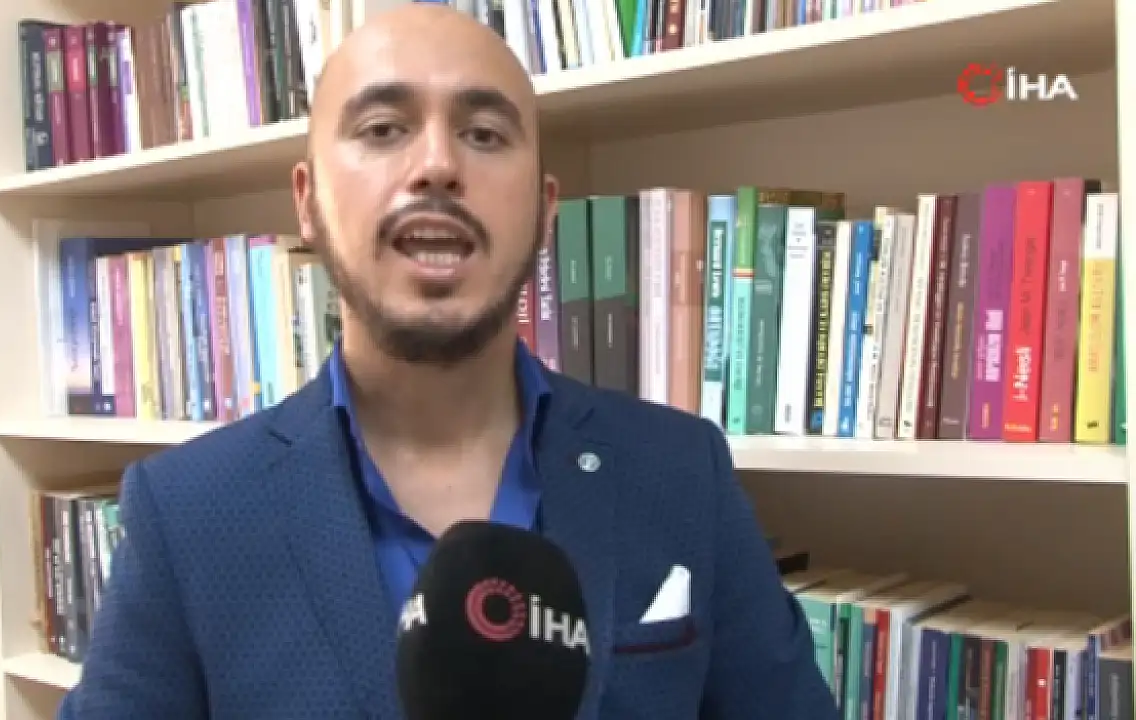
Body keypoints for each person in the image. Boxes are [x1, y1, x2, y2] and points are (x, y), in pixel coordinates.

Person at [56, 4, 837, 719]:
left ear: (544, 209)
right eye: (383, 129)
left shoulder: (682, 472)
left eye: (485, 134)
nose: (436, 164)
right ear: (307, 200)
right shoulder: (186, 513)